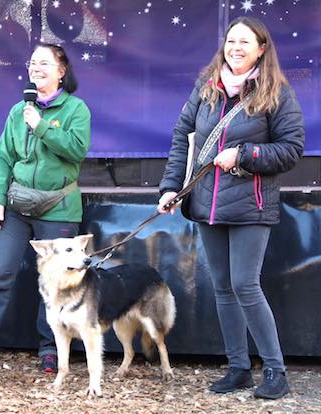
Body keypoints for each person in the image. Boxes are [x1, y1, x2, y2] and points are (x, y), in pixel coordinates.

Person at [157, 17, 304, 399]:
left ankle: (275, 371)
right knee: (223, 287)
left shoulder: (276, 93)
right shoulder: (206, 89)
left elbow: (290, 149)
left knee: (244, 285)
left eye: (245, 42)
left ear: (261, 49)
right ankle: (237, 367)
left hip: (251, 206)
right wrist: (171, 187)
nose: (236, 47)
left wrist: (245, 153)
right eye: (231, 41)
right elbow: (181, 139)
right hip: (207, 203)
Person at [0, 43, 91, 373]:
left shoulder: (76, 110)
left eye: (44, 63)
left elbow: (76, 151)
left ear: (61, 71)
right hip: (18, 206)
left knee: (57, 280)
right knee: (0, 273)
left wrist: (42, 126)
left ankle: (50, 348)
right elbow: (4, 158)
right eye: (33, 63)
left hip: (58, 207)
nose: (36, 68)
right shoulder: (18, 111)